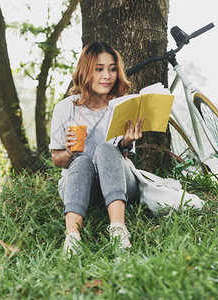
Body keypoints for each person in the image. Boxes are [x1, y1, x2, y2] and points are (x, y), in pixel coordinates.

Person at [49, 41, 145, 256]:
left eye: (112, 69)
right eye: (99, 69)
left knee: (104, 149)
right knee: (81, 160)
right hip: (79, 185)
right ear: (86, 71)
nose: (107, 76)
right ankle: (72, 237)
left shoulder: (122, 105)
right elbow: (57, 160)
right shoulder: (65, 108)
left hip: (119, 184)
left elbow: (123, 158)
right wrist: (69, 151)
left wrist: (127, 142)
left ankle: (119, 230)